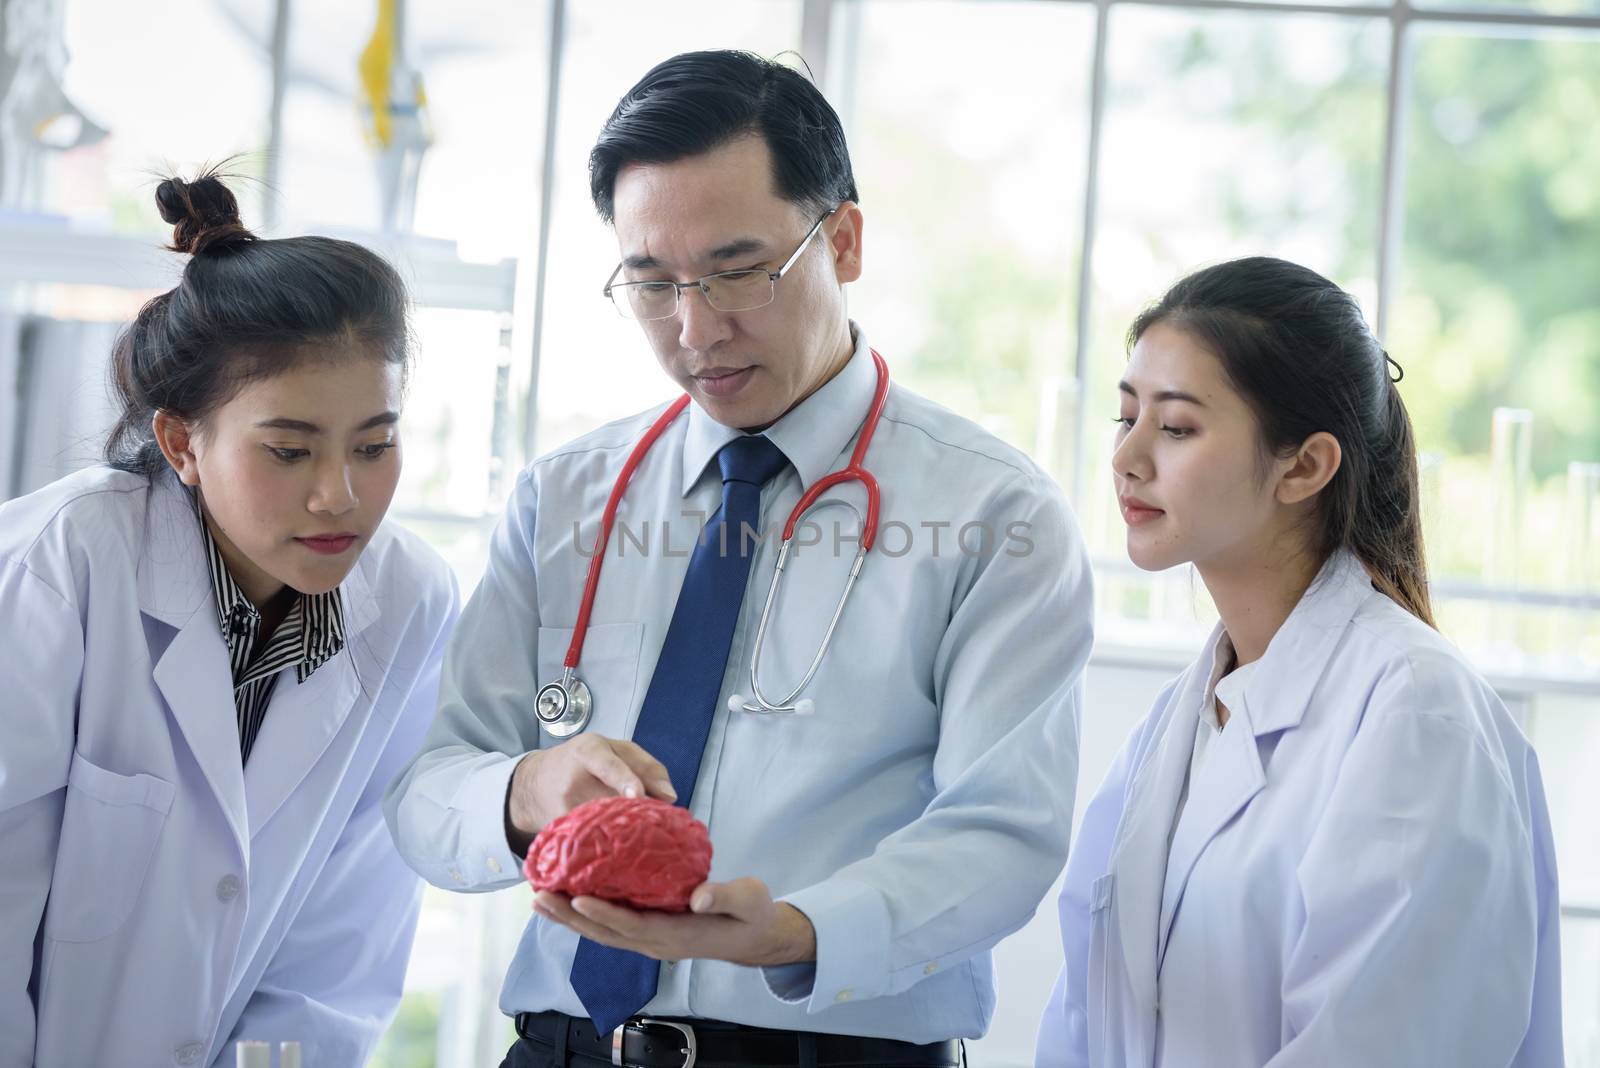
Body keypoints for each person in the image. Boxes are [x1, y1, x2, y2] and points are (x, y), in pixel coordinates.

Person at [385, 49, 1094, 1067]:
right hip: (561, 1049)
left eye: (738, 271)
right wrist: (526, 791)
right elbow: (425, 790)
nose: (695, 329)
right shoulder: (565, 496)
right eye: (651, 282)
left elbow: (1001, 839)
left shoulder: (991, 514)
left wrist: (801, 933)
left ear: (843, 241)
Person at [1036, 256, 1562, 1067]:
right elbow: (1084, 1022)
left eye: (1175, 427)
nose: (1127, 457)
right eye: (1126, 416)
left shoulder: (1418, 717)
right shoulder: (1176, 724)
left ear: (1306, 466)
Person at [0, 171, 460, 1068]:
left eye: (375, 445)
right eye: (289, 450)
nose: (341, 495)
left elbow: (346, 936)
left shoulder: (409, 598)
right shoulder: (70, 560)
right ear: (182, 444)